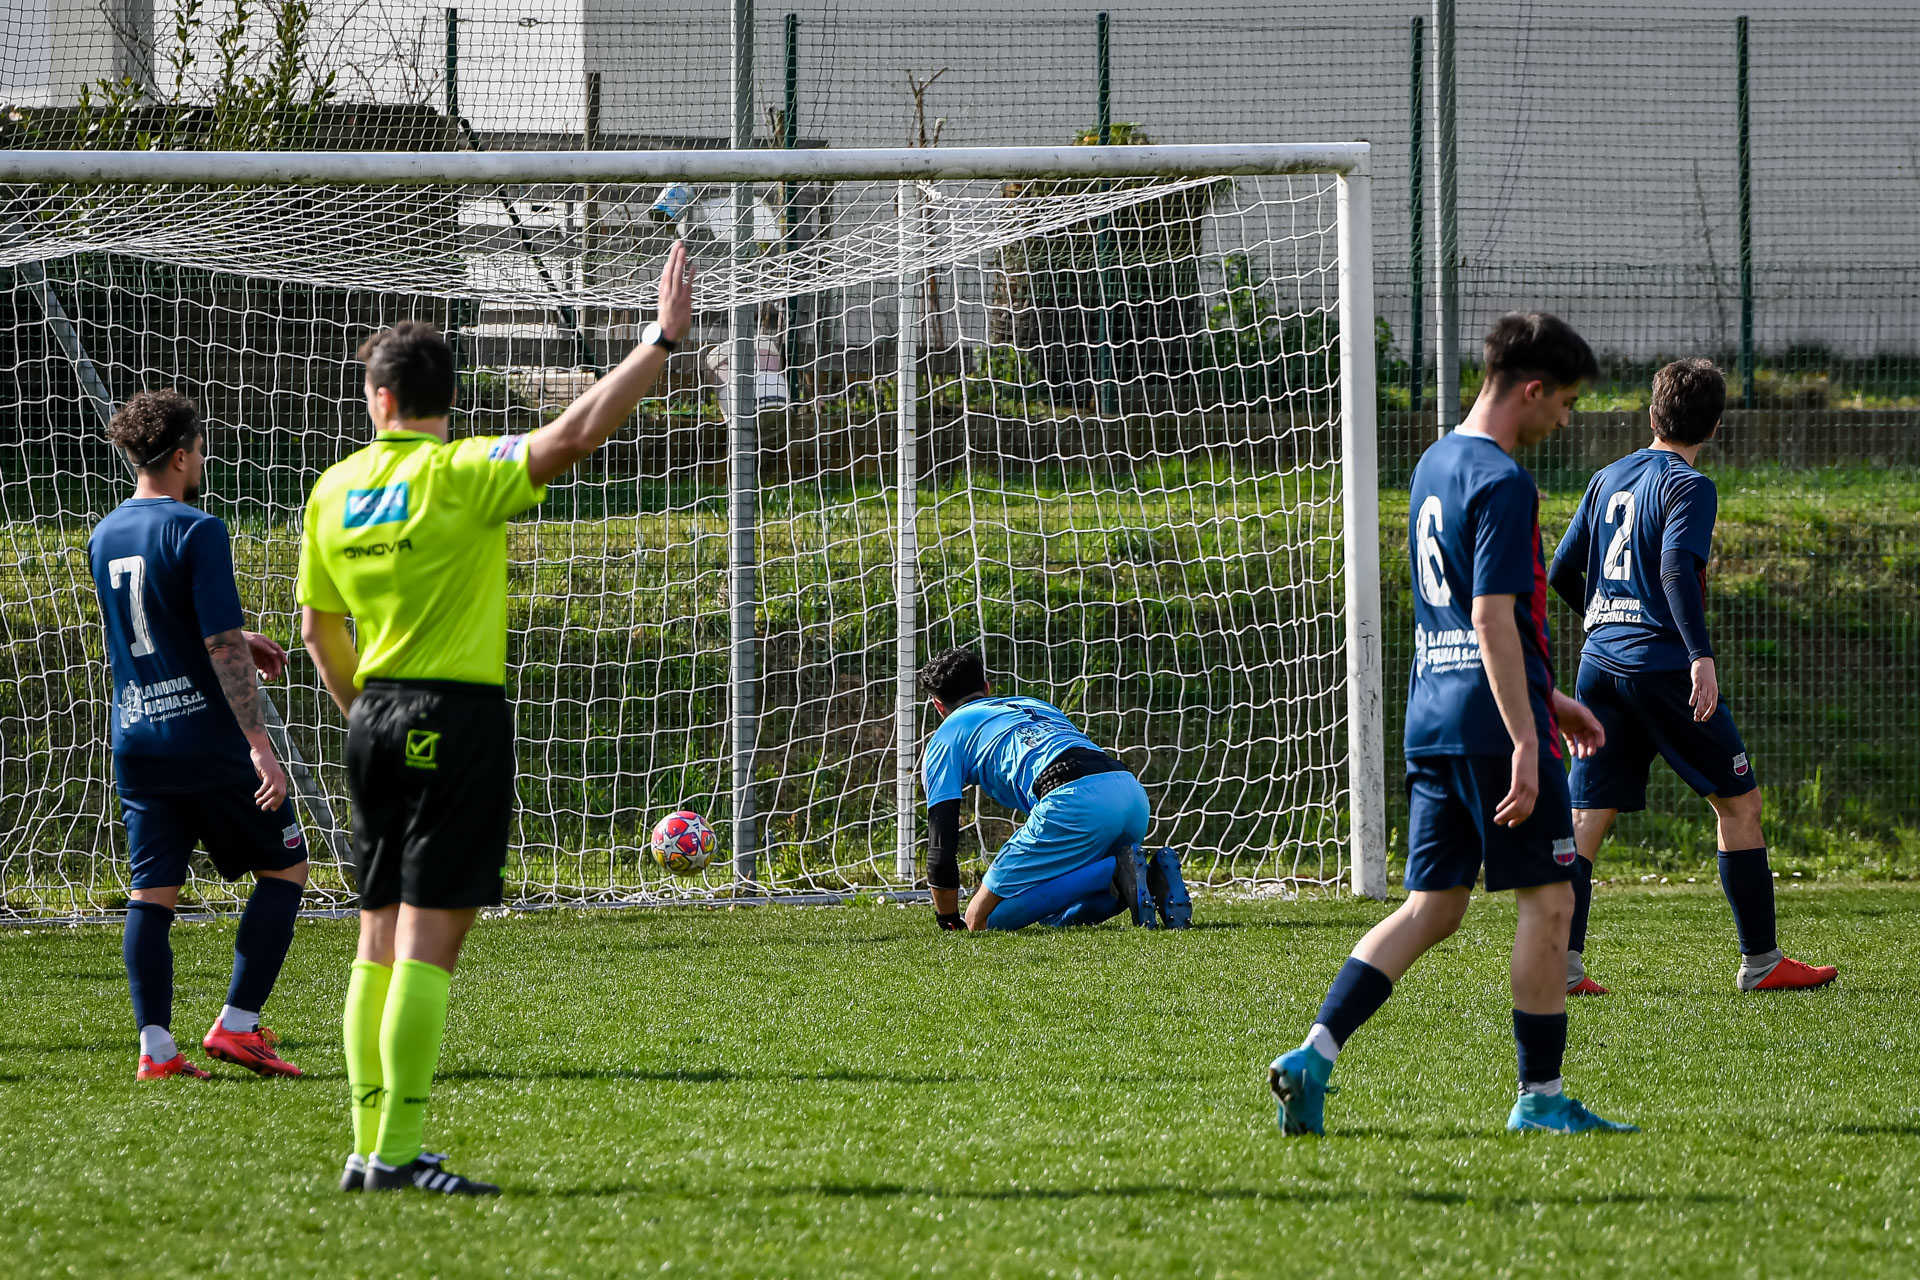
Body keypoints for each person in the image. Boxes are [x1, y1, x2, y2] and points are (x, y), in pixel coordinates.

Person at [300, 243, 693, 1196]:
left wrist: (367, 715)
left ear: (380, 399)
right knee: (430, 942)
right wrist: (658, 341)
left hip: (374, 715)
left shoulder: (335, 488)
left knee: (374, 933)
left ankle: (367, 1145)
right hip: (454, 713)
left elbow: (317, 630)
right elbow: (571, 436)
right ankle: (396, 1153)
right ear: (442, 400)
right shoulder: (461, 473)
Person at [1268, 313, 1637, 1137]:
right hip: (1487, 724)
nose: (1566, 420)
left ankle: (1313, 1055)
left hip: (1432, 714)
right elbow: (1490, 617)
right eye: (1567, 403)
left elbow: (1457, 619)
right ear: (1532, 389)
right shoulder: (1504, 480)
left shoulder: (1436, 462)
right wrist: (1526, 739)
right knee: (1549, 901)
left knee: (1433, 909)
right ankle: (1541, 1099)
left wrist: (1551, 701)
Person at [1548, 358, 1836, 995]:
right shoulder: (1688, 486)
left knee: (1586, 818)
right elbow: (1677, 569)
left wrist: (1607, 619)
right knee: (1739, 803)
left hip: (1599, 664)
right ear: (1714, 427)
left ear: (1653, 414)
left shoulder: (1606, 478)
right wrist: (1699, 657)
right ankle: (1762, 962)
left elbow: (1563, 573)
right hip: (1661, 669)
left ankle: (1560, 966)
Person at [88, 389, 308, 1082]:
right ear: (182, 454)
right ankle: (238, 1027)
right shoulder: (197, 528)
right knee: (287, 866)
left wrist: (236, 635)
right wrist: (260, 747)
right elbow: (216, 647)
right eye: (202, 448)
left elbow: (147, 628)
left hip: (136, 738)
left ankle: (156, 1049)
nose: (205, 458)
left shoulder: (105, 534)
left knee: (151, 892)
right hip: (205, 742)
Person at [919, 647, 1189, 933]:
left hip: (1071, 800)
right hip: (1129, 792)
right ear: (987, 688)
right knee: (1053, 910)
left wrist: (947, 919)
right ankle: (1139, 874)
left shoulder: (947, 735)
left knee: (980, 920)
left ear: (938, 706)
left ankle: (1115, 871)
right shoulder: (1033, 704)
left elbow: (941, 846)